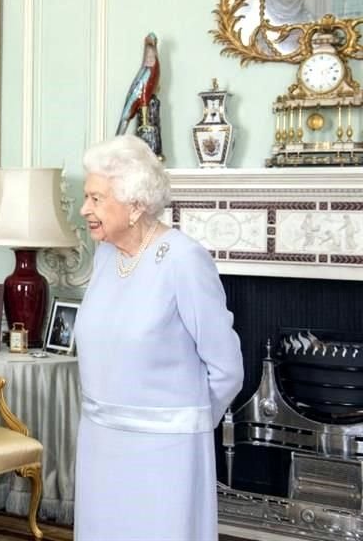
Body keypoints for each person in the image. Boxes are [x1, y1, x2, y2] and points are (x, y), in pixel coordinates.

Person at [73, 134, 243, 541]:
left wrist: (185, 424)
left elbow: (227, 369)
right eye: (86, 197)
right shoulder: (106, 255)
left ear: (135, 205)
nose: (84, 209)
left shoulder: (183, 259)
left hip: (166, 454)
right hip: (100, 443)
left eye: (96, 199)